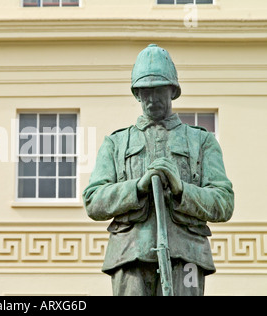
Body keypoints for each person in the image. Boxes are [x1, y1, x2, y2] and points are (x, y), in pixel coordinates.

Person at [82, 44, 234, 296]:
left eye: (158, 90)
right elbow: (93, 201)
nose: (151, 99)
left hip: (187, 256)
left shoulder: (201, 141)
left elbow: (224, 202)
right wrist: (137, 188)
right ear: (136, 94)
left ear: (172, 90)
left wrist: (181, 189)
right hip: (129, 256)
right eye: (145, 91)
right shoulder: (116, 143)